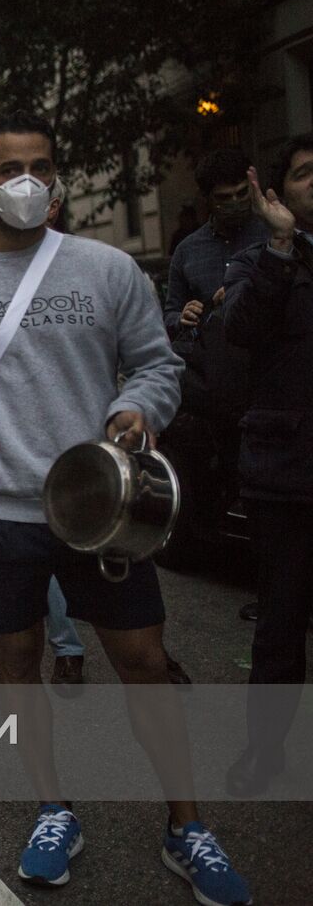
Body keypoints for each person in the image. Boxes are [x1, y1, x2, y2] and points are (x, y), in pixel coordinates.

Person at [0, 111, 250, 905]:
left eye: (43, 167)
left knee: (145, 660)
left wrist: (138, 409)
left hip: (101, 507)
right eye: (11, 167)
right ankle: (54, 809)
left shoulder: (107, 269)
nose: (29, 182)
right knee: (17, 663)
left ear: (57, 176)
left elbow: (156, 365)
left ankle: (187, 824)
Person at [222, 133, 313, 798]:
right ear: (278, 194)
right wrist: (281, 247)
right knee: (281, 622)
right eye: (307, 174)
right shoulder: (264, 260)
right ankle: (265, 752)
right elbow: (243, 334)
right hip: (290, 474)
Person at [163, 149, 269, 337]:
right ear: (206, 199)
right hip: (214, 357)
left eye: (242, 193)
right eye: (224, 197)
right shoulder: (187, 251)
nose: (236, 202)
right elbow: (170, 315)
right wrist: (182, 318)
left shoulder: (272, 234)